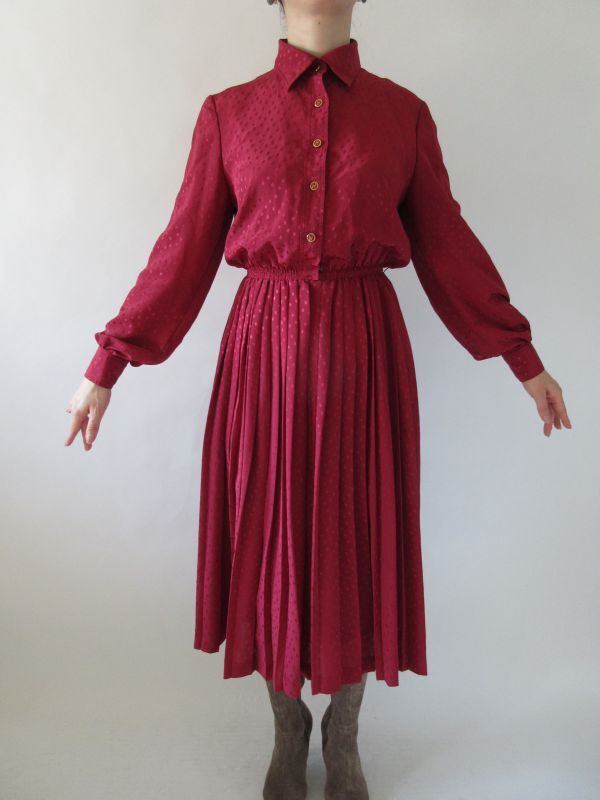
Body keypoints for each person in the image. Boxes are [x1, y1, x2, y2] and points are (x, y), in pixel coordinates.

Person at [65, 1, 572, 798]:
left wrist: (521, 354)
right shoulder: (228, 114)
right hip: (262, 354)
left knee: (358, 532)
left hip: (364, 351)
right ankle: (286, 728)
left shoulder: (402, 114)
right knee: (269, 534)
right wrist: (109, 362)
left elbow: (447, 243)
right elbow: (183, 247)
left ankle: (344, 732)